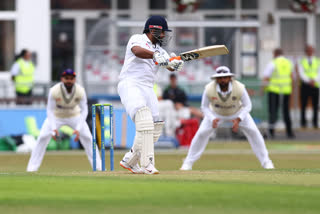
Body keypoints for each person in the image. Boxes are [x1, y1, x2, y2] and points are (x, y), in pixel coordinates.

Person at [118, 15, 184, 174]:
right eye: (163, 33)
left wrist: (174, 64)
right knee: (144, 119)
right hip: (130, 83)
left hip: (148, 88)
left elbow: (168, 65)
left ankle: (130, 160)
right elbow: (137, 51)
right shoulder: (137, 39)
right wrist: (155, 55)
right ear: (154, 30)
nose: (164, 36)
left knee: (155, 127)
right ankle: (147, 164)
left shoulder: (160, 50)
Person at [180, 66, 274, 170]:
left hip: (237, 112)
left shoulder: (239, 87)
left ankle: (266, 162)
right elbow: (204, 107)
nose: (223, 80)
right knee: (201, 134)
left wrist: (239, 118)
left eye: (225, 77)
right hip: (216, 113)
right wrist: (212, 118)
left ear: (230, 78)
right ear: (216, 79)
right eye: (220, 78)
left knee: (254, 132)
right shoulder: (209, 88)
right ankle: (188, 163)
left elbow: (248, 105)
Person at [26, 69, 101, 172]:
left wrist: (78, 129)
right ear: (62, 79)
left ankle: (98, 167)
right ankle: (32, 168)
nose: (69, 81)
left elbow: (84, 110)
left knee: (88, 138)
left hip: (74, 116)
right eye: (67, 78)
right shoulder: (54, 90)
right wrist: (53, 129)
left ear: (74, 80)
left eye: (71, 78)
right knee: (42, 138)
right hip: (57, 116)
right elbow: (50, 110)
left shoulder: (80, 90)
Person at [263, 48, 295, 138]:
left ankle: (271, 131)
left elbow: (266, 77)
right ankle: (289, 132)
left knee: (273, 111)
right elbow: (292, 76)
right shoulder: (289, 63)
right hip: (286, 90)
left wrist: (262, 89)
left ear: (275, 54)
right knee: (286, 112)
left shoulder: (273, 62)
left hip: (274, 90)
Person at [297, 45, 320, 129]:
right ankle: (303, 123)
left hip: (315, 85)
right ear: (306, 51)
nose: (310, 52)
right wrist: (308, 80)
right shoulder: (302, 61)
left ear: (313, 51)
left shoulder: (317, 61)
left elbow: (319, 72)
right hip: (305, 85)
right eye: (308, 50)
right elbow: (301, 72)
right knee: (303, 104)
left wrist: (314, 80)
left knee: (315, 105)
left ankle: (315, 123)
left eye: (311, 50)